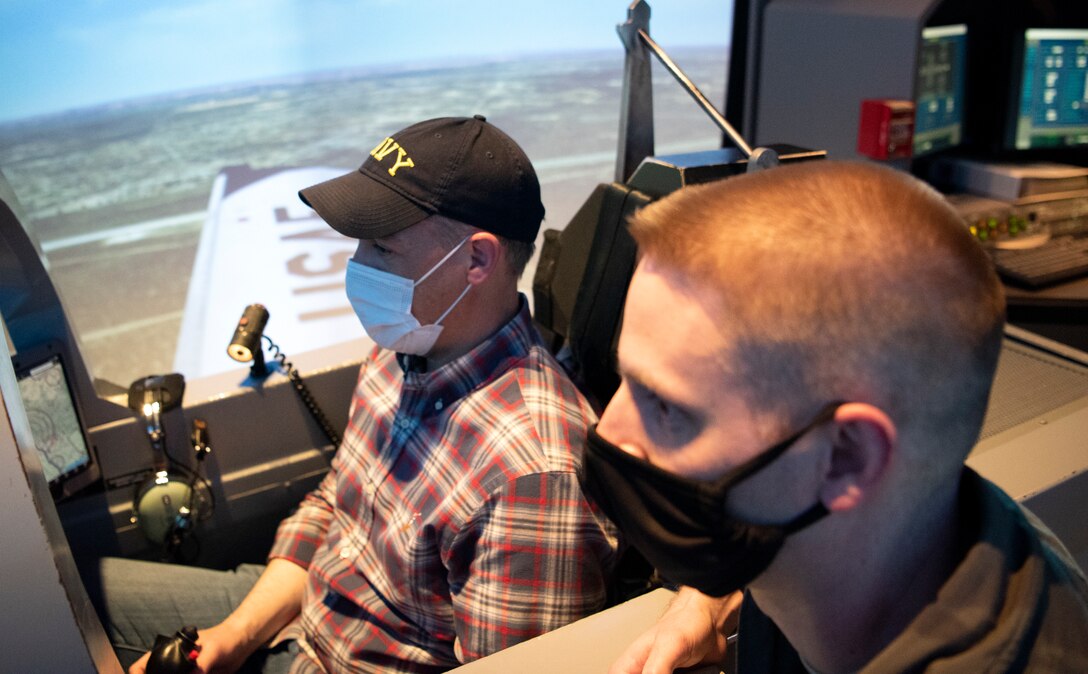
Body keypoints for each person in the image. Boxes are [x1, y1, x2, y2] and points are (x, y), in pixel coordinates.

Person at [97, 116, 619, 673]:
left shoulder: (530, 482)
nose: (358, 267)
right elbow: (335, 507)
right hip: (303, 614)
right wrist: (233, 639)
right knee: (82, 590)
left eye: (382, 249)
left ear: (477, 260)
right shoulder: (402, 349)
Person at [577, 160, 1088, 673]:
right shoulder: (899, 525)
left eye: (665, 406)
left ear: (845, 456)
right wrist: (707, 596)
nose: (609, 431)